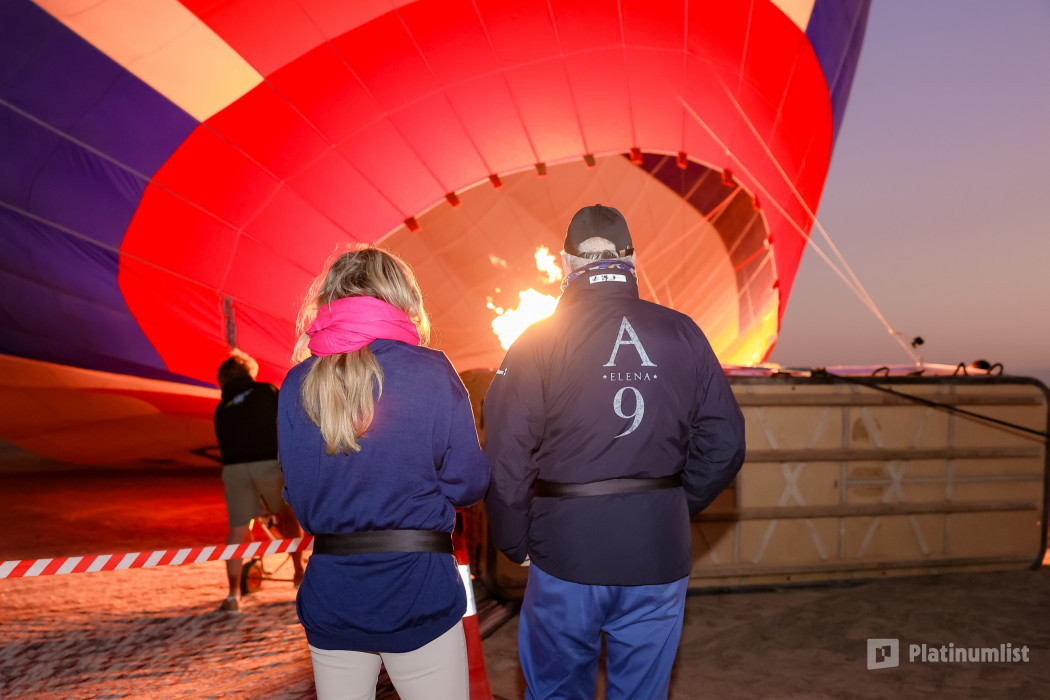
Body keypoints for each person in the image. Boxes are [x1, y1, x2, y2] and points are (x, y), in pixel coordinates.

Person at [484, 204, 746, 699]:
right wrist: (668, 505)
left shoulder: (537, 340)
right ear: (632, 260)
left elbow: (504, 453)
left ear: (566, 264)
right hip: (657, 551)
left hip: (567, 550)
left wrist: (514, 540)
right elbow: (727, 441)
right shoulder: (684, 332)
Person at [278, 245, 490, 700]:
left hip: (334, 594)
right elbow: (469, 483)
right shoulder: (431, 371)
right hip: (418, 591)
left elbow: (298, 496)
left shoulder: (297, 382)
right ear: (401, 298)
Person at [213, 349, 305, 612]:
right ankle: (298, 573)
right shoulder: (266, 391)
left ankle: (232, 596)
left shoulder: (222, 408)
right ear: (248, 371)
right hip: (267, 465)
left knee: (237, 530)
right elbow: (286, 424)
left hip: (234, 470)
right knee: (287, 515)